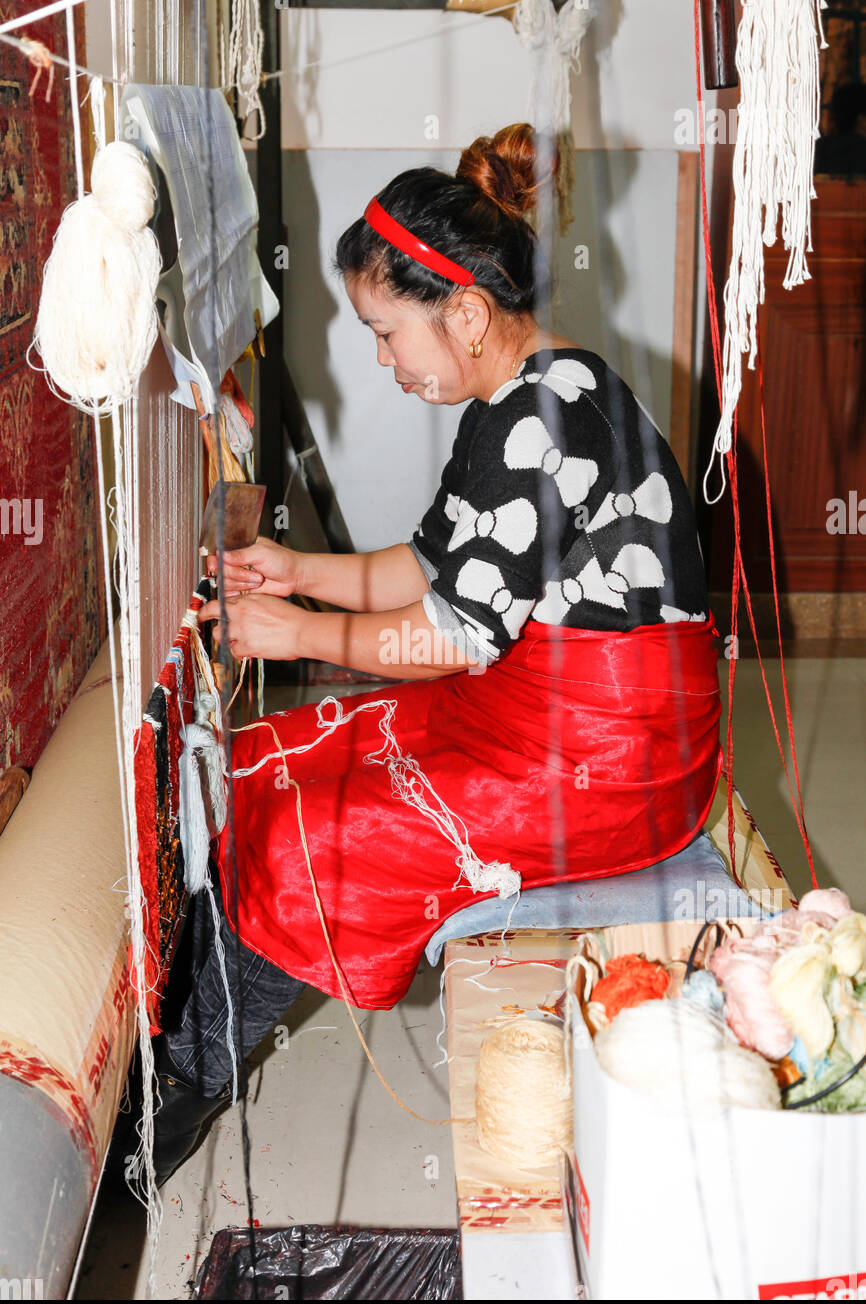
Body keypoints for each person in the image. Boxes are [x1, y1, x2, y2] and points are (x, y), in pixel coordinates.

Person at [151, 124, 722, 1184]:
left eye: (385, 331)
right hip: (533, 712)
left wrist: (303, 634)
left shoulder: (547, 420)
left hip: (610, 760)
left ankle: (175, 1091)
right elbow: (425, 565)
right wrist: (294, 571)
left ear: (463, 312)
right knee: (277, 755)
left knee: (323, 838)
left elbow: (454, 636)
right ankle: (177, 1015)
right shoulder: (511, 401)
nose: (381, 359)